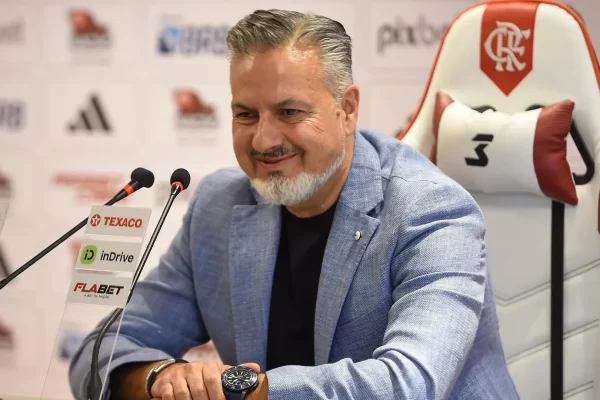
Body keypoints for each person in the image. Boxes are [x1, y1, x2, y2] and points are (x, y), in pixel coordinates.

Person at [69, 9, 519, 400]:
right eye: (246, 114)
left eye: (289, 112)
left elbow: (408, 386)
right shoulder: (217, 207)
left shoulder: (431, 210)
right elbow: (98, 352)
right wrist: (161, 378)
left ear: (347, 109)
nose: (264, 140)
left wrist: (242, 388)